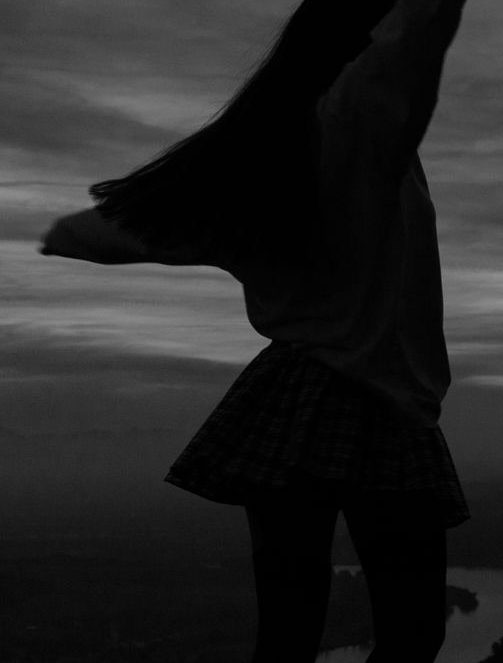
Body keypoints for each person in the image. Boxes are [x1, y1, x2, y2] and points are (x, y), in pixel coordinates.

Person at [40, 0, 469, 661]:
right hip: (373, 403)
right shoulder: (354, 122)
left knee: (290, 631)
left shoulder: (268, 156)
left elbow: (140, 230)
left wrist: (60, 235)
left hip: (287, 406)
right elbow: (414, 34)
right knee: (409, 633)